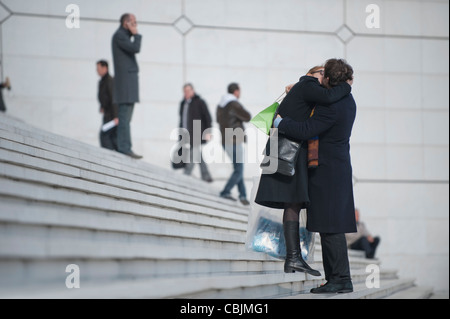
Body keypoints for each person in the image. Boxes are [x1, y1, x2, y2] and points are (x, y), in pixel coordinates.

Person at [255, 66, 352, 277]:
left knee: (294, 203)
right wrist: (347, 83)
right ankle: (293, 258)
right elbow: (331, 95)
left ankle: (294, 259)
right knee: (293, 203)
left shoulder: (303, 88)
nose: (325, 81)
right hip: (290, 153)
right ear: (314, 74)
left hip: (286, 152)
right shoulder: (308, 85)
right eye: (323, 75)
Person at [274, 59, 357, 294]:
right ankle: (339, 278)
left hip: (328, 170)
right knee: (332, 225)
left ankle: (340, 279)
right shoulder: (348, 100)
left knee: (330, 226)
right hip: (337, 167)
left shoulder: (333, 105)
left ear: (329, 79)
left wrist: (281, 122)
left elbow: (307, 129)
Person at [112, 13, 143, 159]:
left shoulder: (122, 35)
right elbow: (135, 48)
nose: (135, 26)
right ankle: (124, 148)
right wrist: (136, 34)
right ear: (126, 23)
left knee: (126, 118)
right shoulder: (120, 36)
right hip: (125, 86)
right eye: (133, 23)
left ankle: (125, 147)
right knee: (124, 118)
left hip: (128, 85)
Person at [217, 83, 252, 206]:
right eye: (239, 90)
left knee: (238, 169)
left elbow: (218, 120)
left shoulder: (220, 106)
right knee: (239, 169)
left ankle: (243, 195)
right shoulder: (234, 104)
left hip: (225, 141)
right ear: (236, 91)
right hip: (234, 140)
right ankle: (225, 191)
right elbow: (247, 117)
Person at [179, 83, 213, 183]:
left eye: (189, 90)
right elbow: (181, 120)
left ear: (193, 91)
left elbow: (207, 117)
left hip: (196, 132)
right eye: (185, 91)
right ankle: (206, 176)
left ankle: (186, 174)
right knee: (198, 154)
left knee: (193, 154)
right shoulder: (183, 104)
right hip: (185, 134)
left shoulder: (199, 102)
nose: (187, 93)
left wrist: (208, 132)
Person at [97, 60, 119, 151]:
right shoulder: (102, 81)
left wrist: (116, 116)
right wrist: (102, 106)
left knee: (104, 136)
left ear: (105, 68)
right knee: (111, 137)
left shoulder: (110, 81)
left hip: (111, 116)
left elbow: (113, 99)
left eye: (98, 68)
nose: (97, 70)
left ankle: (111, 156)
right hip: (107, 114)